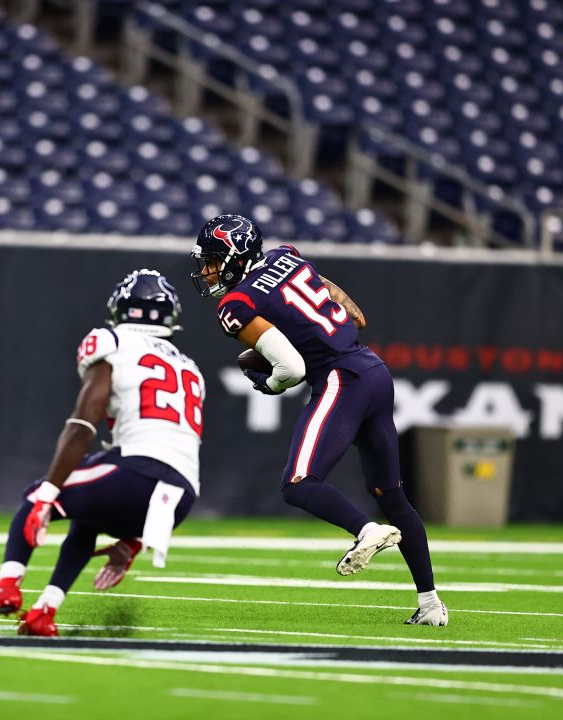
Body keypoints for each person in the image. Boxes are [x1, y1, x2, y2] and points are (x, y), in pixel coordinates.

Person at [189, 214, 447, 626]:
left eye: (214, 260)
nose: (207, 270)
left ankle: (366, 531)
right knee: (392, 493)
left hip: (341, 379)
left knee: (297, 484)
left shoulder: (236, 304)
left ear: (236, 257)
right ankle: (431, 603)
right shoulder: (287, 256)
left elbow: (289, 368)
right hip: (374, 371)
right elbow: (353, 313)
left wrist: (267, 383)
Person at [0, 269, 204, 636]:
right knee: (87, 519)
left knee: (36, 495)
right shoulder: (189, 368)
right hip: (181, 497)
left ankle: (8, 587)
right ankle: (44, 611)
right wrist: (132, 542)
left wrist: (50, 493)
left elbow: (84, 422)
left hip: (135, 474)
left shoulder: (110, 340)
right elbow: (181, 449)